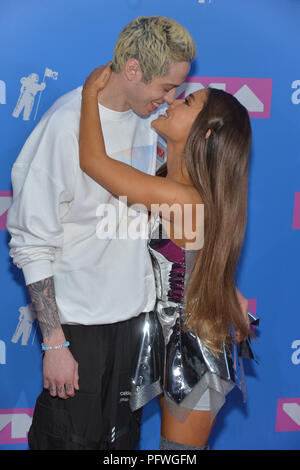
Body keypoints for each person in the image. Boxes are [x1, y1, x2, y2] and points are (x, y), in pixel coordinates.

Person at [7, 16, 197, 450]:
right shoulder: (65, 125)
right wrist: (55, 343)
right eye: (167, 87)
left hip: (135, 328)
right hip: (80, 331)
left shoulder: (156, 124)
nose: (171, 99)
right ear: (133, 70)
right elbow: (30, 239)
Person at [78, 63, 258, 451]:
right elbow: (196, 259)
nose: (173, 100)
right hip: (166, 340)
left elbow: (93, 162)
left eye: (188, 101)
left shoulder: (181, 198)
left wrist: (88, 97)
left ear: (206, 132)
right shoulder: (169, 184)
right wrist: (229, 291)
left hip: (192, 353)